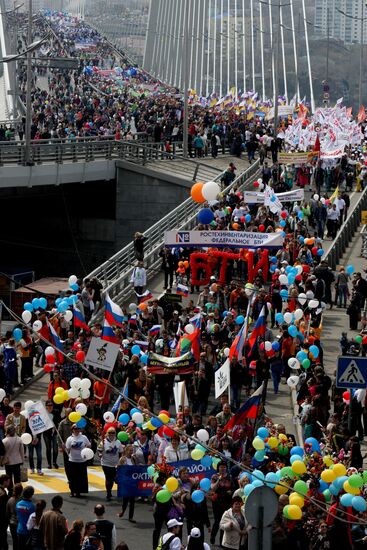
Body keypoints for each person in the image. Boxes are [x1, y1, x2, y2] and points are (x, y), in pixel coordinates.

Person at [65, 424, 91, 497]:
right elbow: (68, 449)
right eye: (75, 429)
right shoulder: (69, 439)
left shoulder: (84, 437)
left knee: (80, 477)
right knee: (72, 477)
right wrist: (65, 448)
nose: (76, 430)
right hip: (72, 460)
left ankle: (79, 491)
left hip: (82, 461)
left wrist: (86, 449)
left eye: (78, 429)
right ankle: (72, 491)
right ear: (72, 430)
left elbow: (89, 445)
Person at [97, 426, 123, 501]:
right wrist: (100, 454)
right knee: (109, 478)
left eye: (113, 433)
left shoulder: (118, 442)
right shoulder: (103, 442)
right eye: (110, 433)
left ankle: (111, 491)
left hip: (115, 464)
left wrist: (120, 462)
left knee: (114, 479)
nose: (111, 434)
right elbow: (99, 450)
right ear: (107, 434)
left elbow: (121, 452)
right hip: (106, 463)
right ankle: (108, 493)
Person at [3, 425, 24, 494]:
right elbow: (22, 451)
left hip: (8, 462)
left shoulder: (4, 441)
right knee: (17, 477)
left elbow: (3, 453)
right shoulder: (19, 439)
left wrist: (1, 461)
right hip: (17, 461)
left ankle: (10, 491)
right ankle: (18, 490)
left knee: (9, 477)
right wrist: (22, 460)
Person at [16, 485, 35, 550]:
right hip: (28, 531)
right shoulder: (32, 506)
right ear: (31, 495)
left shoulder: (18, 504)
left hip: (19, 529)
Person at [6, 482, 23, 550]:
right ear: (21, 491)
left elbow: (7, 513)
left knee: (14, 540)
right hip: (20, 523)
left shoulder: (10, 500)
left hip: (12, 523)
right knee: (21, 541)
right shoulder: (22, 501)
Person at [0, 474, 10, 550]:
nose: (9, 483)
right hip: (2, 520)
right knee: (3, 537)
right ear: (4, 482)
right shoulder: (3, 494)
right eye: (8, 481)